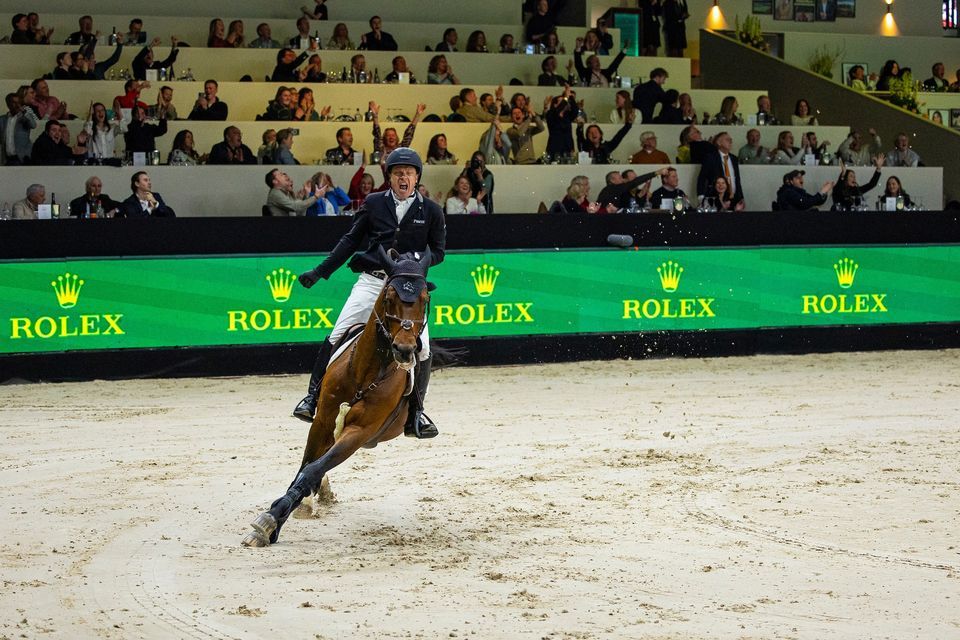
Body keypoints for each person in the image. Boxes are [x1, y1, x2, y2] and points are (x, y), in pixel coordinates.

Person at [294, 148, 446, 440]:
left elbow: (438, 252)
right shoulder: (374, 204)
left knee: (422, 347)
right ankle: (312, 397)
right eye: (398, 173)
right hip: (373, 281)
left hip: (409, 288)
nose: (403, 177)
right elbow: (350, 241)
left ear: (417, 178)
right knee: (338, 333)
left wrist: (409, 260)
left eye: (409, 173)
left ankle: (417, 413)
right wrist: (320, 271)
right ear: (389, 177)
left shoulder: (431, 211)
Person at [696, 131, 743, 203]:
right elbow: (702, 177)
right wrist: (701, 196)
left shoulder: (734, 159)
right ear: (719, 143)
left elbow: (737, 179)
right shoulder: (710, 158)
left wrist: (741, 197)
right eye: (727, 140)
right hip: (716, 198)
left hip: (734, 198)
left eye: (731, 140)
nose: (730, 142)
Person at [597, 167, 667, 210]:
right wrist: (656, 172)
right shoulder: (612, 188)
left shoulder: (619, 190)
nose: (623, 180)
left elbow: (640, 193)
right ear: (612, 181)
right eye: (620, 178)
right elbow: (634, 183)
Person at [1, 92, 38, 165]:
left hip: (22, 158)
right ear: (8, 104)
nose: (17, 105)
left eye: (19, 102)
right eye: (14, 102)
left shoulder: (24, 117)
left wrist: (24, 112)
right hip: (7, 159)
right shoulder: (2, 119)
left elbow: (33, 125)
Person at [545, 88, 578, 159]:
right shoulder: (550, 114)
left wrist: (570, 96)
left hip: (568, 148)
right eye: (561, 101)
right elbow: (557, 111)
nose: (565, 103)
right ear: (554, 105)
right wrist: (566, 98)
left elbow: (575, 111)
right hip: (555, 149)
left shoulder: (567, 116)